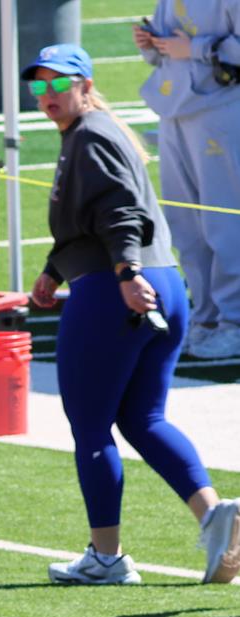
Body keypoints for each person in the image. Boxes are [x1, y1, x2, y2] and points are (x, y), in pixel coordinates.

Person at [24, 44, 240, 586]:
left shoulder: (90, 136)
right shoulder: (99, 131)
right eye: (39, 86)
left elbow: (120, 212)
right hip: (164, 284)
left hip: (118, 290)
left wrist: (124, 274)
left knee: (91, 427)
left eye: (59, 84)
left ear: (85, 83)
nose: (48, 95)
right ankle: (216, 517)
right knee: (144, 418)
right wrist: (55, 267)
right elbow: (95, 215)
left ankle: (107, 557)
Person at [134, 4, 240, 360]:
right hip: (174, 109)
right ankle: (205, 318)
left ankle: (234, 322)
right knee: (186, 227)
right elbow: (169, 50)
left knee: (224, 223)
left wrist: (196, 49)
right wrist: (151, 44)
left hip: (221, 109)